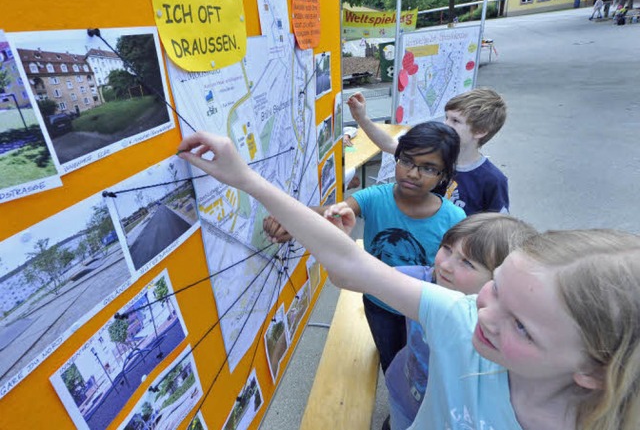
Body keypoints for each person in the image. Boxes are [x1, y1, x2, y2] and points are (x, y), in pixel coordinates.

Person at [178, 132, 640, 430]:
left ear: (595, 371)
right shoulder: (461, 317)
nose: (486, 311)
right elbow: (347, 264)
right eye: (496, 288)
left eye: (522, 326)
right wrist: (247, 181)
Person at [265, 121, 466, 372]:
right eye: (406, 161)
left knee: (425, 367)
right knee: (391, 361)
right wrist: (289, 219)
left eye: (428, 168)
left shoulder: (454, 218)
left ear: (444, 175)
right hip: (378, 305)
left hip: (423, 311)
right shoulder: (374, 197)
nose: (413, 173)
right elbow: (332, 214)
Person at [383, 213, 536, 430]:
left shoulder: (495, 329)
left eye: (467, 262)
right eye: (447, 248)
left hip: (455, 415)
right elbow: (362, 273)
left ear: (499, 280)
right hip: (404, 394)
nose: (445, 265)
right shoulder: (424, 281)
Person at [347, 88, 508, 215]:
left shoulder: (493, 180)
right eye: (447, 117)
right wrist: (361, 118)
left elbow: (498, 228)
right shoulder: (432, 154)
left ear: (480, 131)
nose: (446, 124)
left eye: (455, 121)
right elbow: (389, 144)